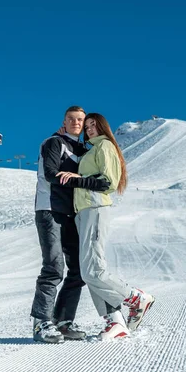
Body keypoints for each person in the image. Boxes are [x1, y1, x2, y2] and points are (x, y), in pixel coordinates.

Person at [57, 112, 155, 341]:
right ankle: (116, 322)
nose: (89, 129)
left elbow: (108, 182)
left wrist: (76, 179)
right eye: (87, 126)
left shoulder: (105, 147)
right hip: (84, 212)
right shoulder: (91, 149)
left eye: (93, 125)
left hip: (95, 208)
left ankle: (135, 297)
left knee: (94, 269)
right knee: (87, 271)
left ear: (102, 126)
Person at [32, 106, 111, 343]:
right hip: (50, 210)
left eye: (81, 120)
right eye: (72, 119)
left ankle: (63, 321)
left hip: (71, 214)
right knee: (53, 266)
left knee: (78, 269)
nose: (77, 123)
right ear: (64, 122)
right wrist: (78, 181)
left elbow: (97, 178)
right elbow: (50, 173)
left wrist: (86, 181)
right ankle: (41, 322)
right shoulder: (53, 142)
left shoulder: (83, 150)